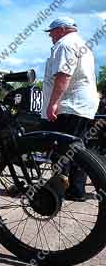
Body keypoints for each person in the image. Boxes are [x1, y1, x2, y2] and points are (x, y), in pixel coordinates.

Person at [40, 17, 100, 200]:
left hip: (69, 104)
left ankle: (58, 190)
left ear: (61, 29)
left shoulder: (64, 44)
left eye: (51, 32)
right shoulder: (82, 45)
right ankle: (76, 189)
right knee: (77, 149)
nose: (50, 35)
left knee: (61, 148)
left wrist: (53, 104)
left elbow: (63, 76)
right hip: (81, 104)